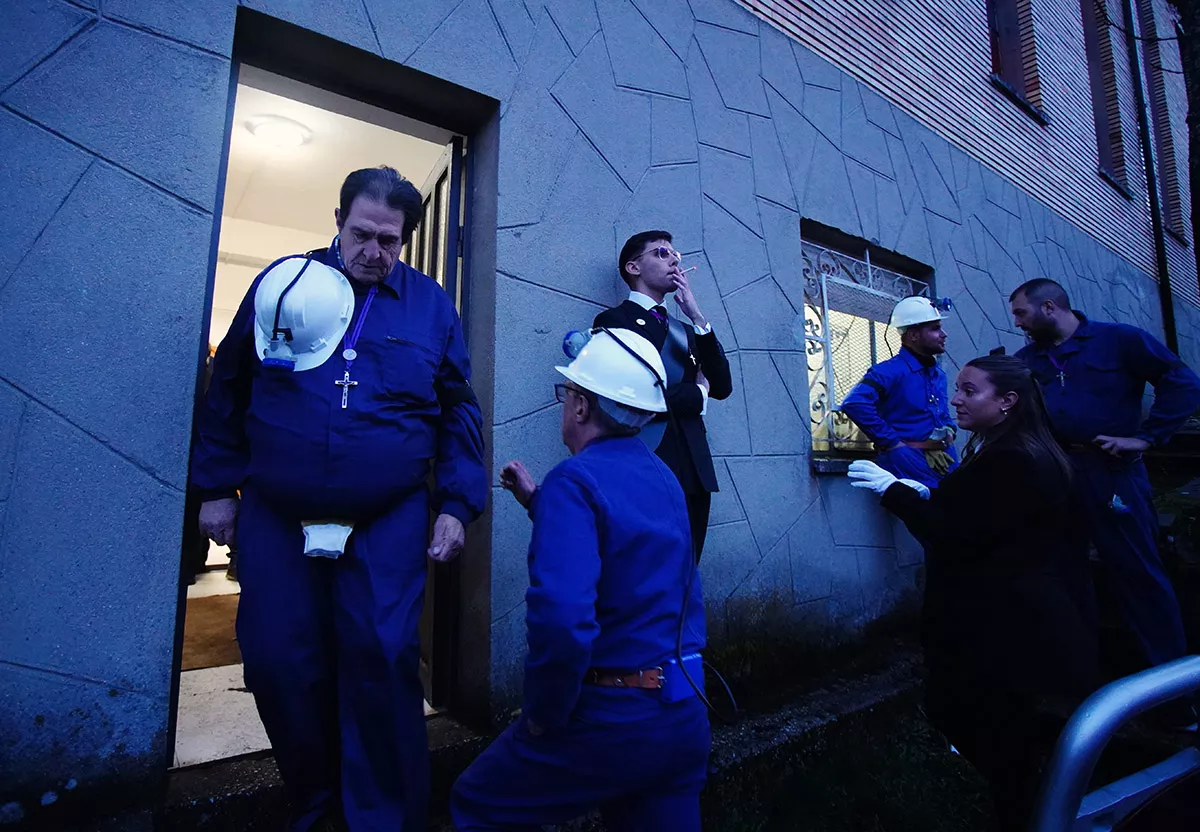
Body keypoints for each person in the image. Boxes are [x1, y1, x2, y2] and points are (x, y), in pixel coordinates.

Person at [191, 167, 486, 832]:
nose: (374, 252)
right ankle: (317, 802)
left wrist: (455, 503)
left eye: (391, 241)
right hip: (275, 509)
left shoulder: (433, 305)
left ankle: (383, 817)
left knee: (380, 657)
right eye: (363, 234)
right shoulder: (284, 284)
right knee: (276, 659)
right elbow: (228, 384)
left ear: (406, 240)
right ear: (337, 220)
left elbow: (457, 409)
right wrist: (215, 485)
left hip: (388, 514)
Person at [451, 328, 710, 832]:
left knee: (479, 802)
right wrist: (539, 502)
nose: (563, 406)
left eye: (565, 394)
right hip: (681, 713)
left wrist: (545, 713)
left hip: (613, 718)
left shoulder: (575, 482)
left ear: (582, 407)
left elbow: (563, 622)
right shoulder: (664, 476)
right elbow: (629, 550)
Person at [849, 355, 1099, 831]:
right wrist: (926, 494)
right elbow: (985, 515)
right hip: (1013, 619)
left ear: (1007, 401)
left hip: (998, 628)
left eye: (969, 391)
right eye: (957, 388)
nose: (955, 400)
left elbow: (958, 533)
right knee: (1006, 743)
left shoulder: (1012, 459)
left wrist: (896, 493)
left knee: (997, 741)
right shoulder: (1019, 450)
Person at [1011, 278, 1200, 679]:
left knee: (1138, 574)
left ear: (1049, 308)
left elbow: (1183, 384)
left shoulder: (1119, 341)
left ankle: (1169, 689)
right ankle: (1081, 677)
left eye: (1021, 313)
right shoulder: (1028, 361)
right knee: (1063, 572)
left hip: (1112, 472)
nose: (1018, 323)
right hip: (1059, 474)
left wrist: (1146, 439)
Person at [593, 231, 732, 562]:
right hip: (647, 463)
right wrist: (697, 397)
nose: (673, 260)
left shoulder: (686, 331)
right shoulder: (614, 321)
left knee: (686, 577)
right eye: (661, 254)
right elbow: (628, 397)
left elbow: (722, 386)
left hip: (695, 472)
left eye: (676, 256)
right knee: (647, 575)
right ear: (633, 267)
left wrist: (697, 317)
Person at [841, 296, 958, 490]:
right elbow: (855, 403)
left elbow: (943, 413)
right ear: (913, 335)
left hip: (946, 461)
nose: (943, 334)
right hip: (908, 463)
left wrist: (950, 431)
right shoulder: (887, 372)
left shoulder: (938, 374)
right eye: (935, 328)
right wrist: (892, 443)